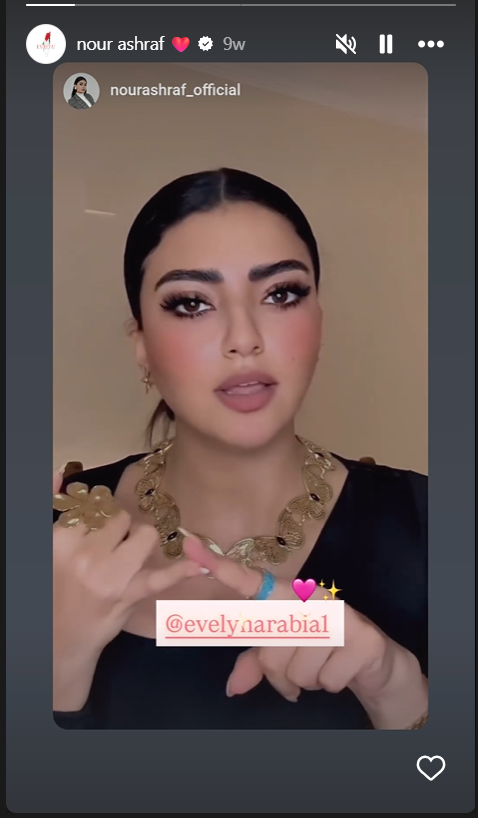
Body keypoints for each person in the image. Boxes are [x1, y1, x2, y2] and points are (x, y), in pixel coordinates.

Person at [53, 168, 428, 730]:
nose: (244, 338)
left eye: (281, 293)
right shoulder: (52, 537)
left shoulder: (430, 523)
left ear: (318, 321)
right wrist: (53, 664)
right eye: (191, 303)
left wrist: (399, 691)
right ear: (141, 345)